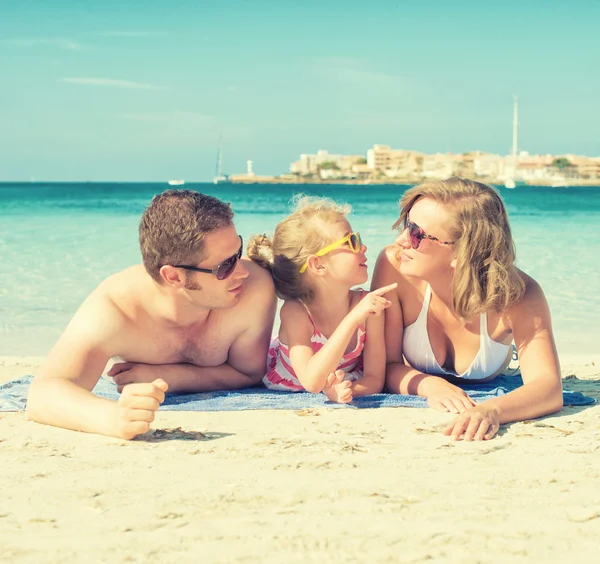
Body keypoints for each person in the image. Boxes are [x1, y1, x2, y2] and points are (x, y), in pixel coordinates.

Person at [26, 190, 277, 439]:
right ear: (174, 276)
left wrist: (169, 377)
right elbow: (44, 393)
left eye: (238, 252)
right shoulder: (117, 310)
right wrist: (112, 418)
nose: (242, 271)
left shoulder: (253, 289)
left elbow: (249, 373)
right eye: (225, 266)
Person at [372, 177, 563, 441]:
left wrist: (491, 410)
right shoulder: (394, 265)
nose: (401, 240)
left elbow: (548, 387)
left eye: (417, 234)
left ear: (463, 251)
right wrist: (431, 386)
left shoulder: (518, 294)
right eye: (407, 224)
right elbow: (385, 364)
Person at [248, 196, 396, 404]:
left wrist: (346, 390)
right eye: (351, 242)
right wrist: (353, 318)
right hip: (295, 382)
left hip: (337, 380)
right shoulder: (296, 312)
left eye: (358, 238)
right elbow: (312, 381)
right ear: (318, 265)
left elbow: (374, 379)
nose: (363, 248)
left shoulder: (365, 307)